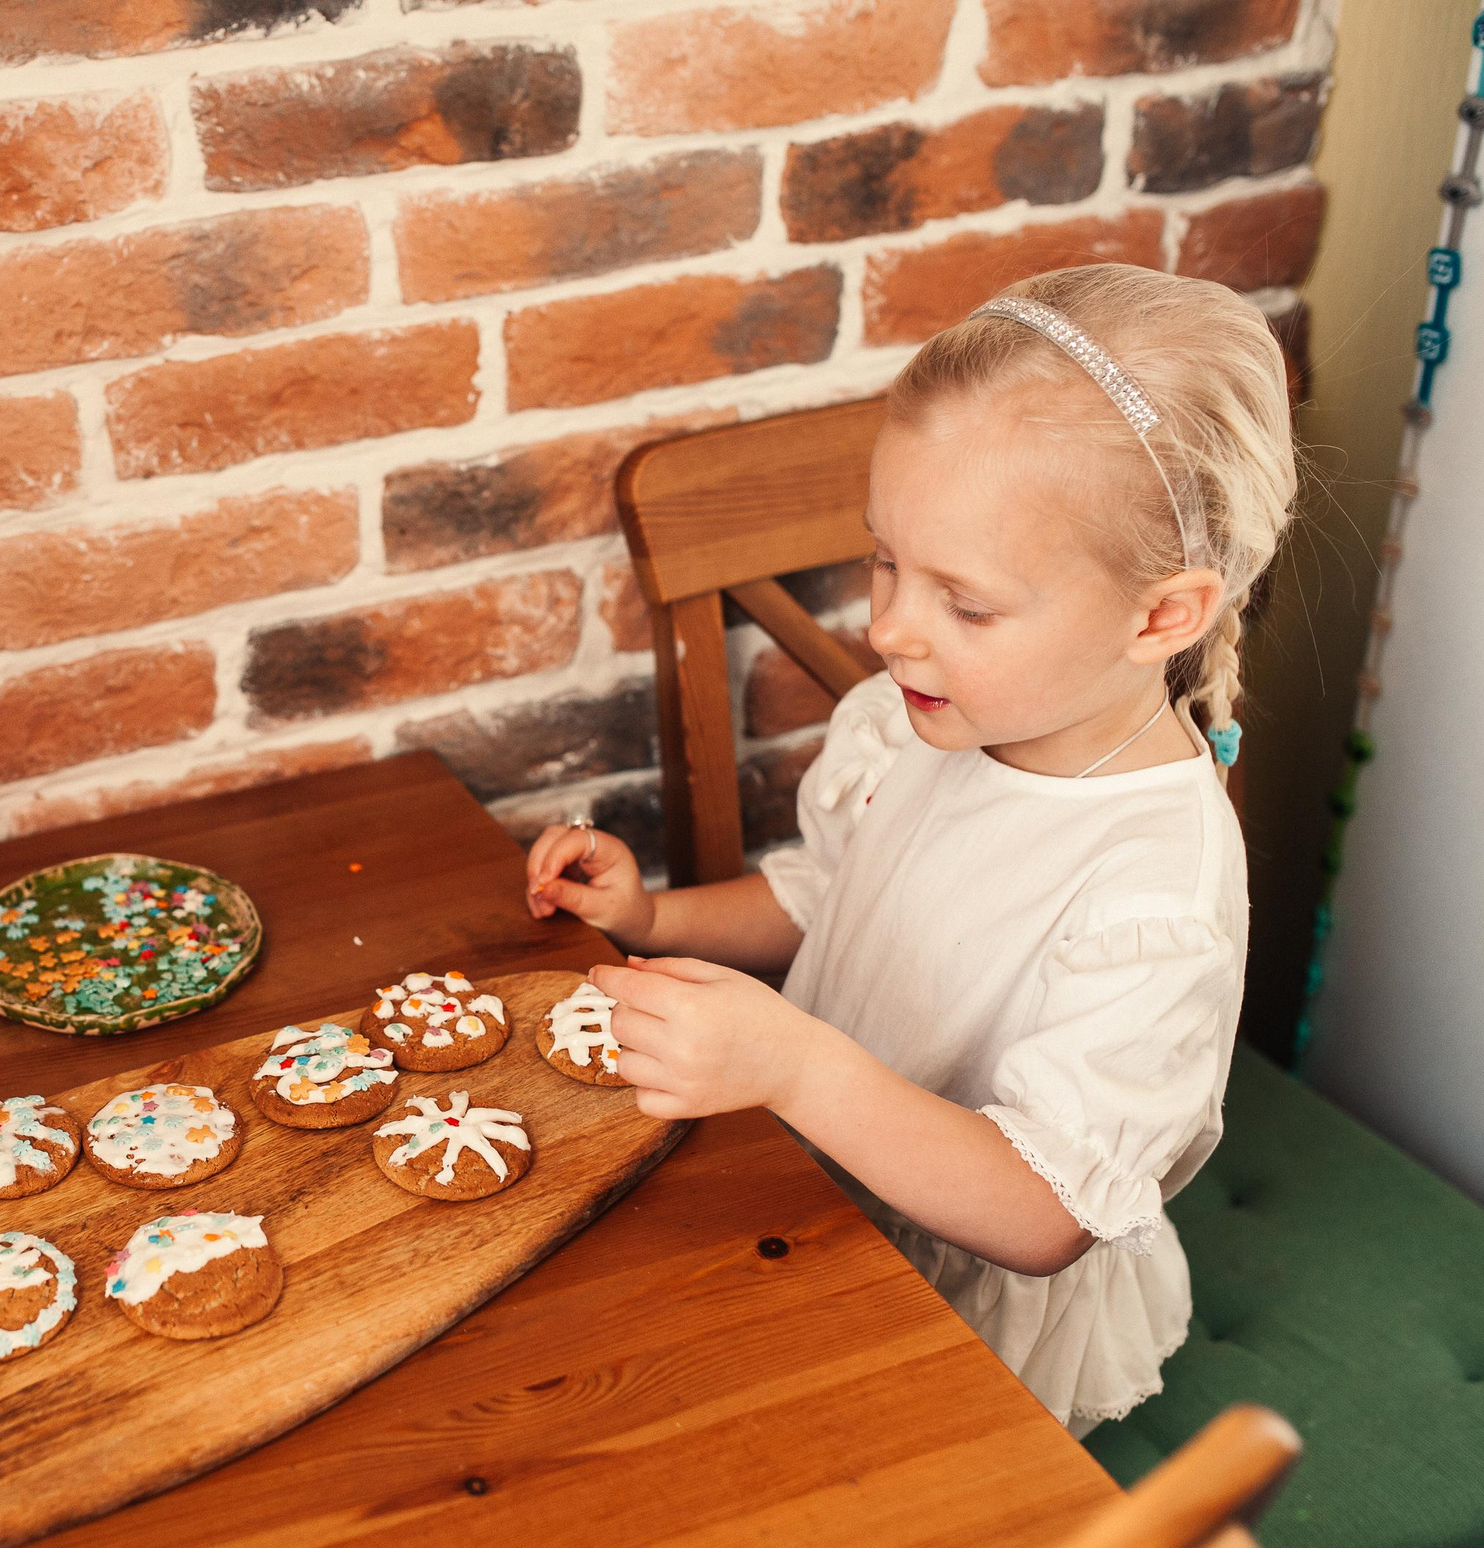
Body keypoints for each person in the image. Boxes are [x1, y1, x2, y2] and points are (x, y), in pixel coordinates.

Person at [525, 264, 1297, 1435]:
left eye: (965, 603)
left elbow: (1041, 1213)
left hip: (954, 1317)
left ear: (1159, 616)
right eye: (885, 560)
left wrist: (793, 1065)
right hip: (802, 1191)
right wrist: (654, 919)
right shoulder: (927, 716)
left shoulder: (1155, 895)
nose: (887, 627)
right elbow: (833, 891)